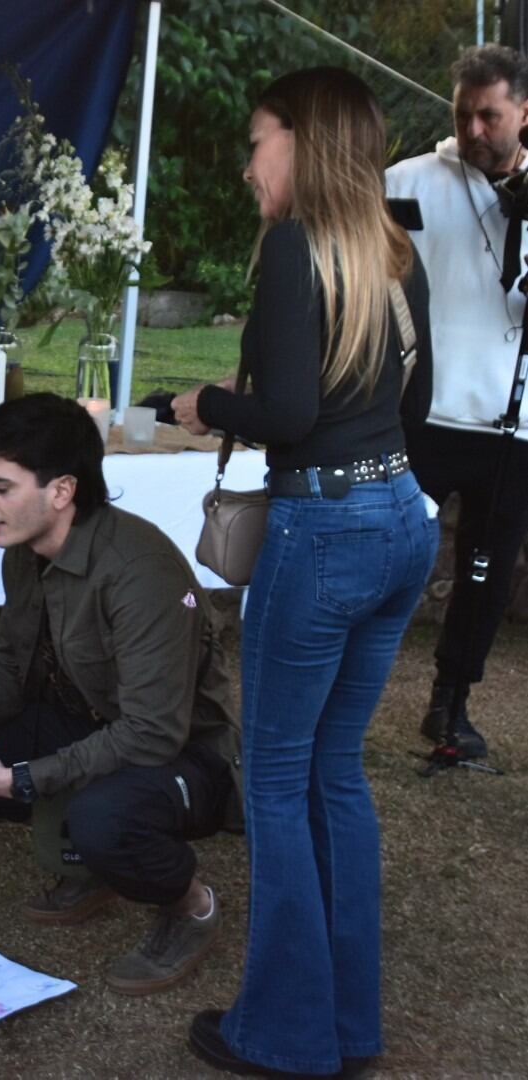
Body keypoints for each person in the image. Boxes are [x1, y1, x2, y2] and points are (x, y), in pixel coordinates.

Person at [171, 68, 437, 1076]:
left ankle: (283, 1035)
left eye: (258, 140)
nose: (247, 164)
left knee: (276, 779)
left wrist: (204, 401)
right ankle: (346, 1027)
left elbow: (282, 417)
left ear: (305, 140)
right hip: (400, 522)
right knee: (333, 772)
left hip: (323, 528)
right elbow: (407, 402)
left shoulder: (293, 248)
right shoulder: (395, 252)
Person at [0, 392, 242, 996]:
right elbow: (9, 667)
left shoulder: (140, 570)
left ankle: (191, 905)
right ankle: (91, 865)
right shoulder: (27, 552)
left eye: (0, 487)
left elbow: (154, 733)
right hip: (86, 727)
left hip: (185, 756)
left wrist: (20, 778)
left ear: (61, 491)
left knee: (104, 817)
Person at [385, 44, 528, 758]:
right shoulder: (410, 179)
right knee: (383, 555)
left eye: (489, 116)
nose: (473, 130)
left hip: (515, 420)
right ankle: (346, 684)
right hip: (426, 411)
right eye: (463, 114)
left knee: (486, 569)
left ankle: (450, 703)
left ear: (523, 113)